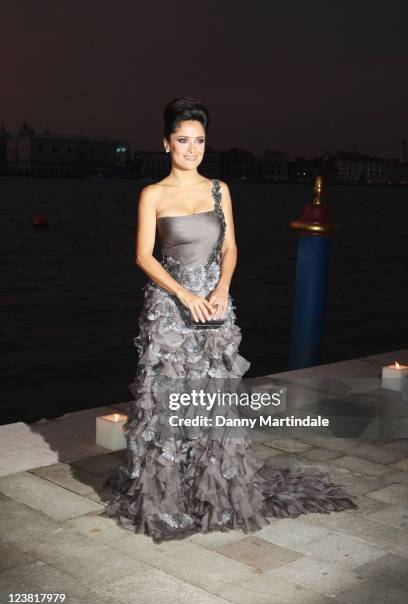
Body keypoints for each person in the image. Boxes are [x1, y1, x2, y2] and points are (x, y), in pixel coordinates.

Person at [102, 96, 358, 543]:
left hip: (217, 307)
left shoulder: (220, 190)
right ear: (166, 143)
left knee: (214, 397)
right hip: (170, 310)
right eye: (183, 140)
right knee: (167, 398)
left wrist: (220, 290)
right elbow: (144, 254)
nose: (192, 148)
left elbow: (230, 248)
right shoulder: (153, 195)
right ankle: (167, 493)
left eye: (199, 140)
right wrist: (184, 294)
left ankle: (210, 487)